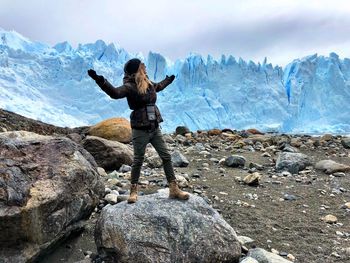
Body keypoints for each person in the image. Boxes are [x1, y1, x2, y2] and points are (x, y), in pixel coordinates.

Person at [87, 58, 189, 203]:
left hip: (154, 127)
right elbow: (115, 93)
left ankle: (174, 189)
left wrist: (168, 80)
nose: (145, 68)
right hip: (140, 129)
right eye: (142, 66)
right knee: (138, 160)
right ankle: (133, 191)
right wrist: (101, 81)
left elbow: (158, 86)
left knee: (166, 156)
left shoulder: (147, 83)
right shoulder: (130, 86)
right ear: (137, 69)